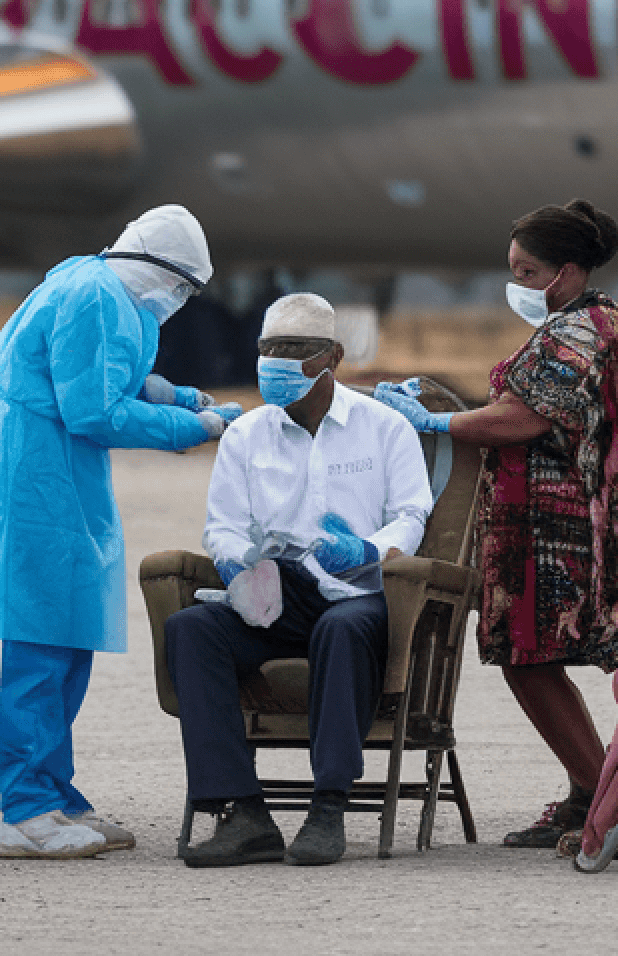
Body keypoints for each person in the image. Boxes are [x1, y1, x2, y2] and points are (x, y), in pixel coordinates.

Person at [0, 204, 241, 860]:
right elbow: (95, 410)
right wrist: (195, 429)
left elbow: (110, 375)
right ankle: (24, 810)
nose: (180, 302)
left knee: (67, 634)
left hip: (55, 467)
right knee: (40, 639)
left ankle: (55, 792)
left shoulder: (100, 287)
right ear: (159, 272)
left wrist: (177, 396)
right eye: (183, 288)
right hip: (36, 468)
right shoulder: (97, 296)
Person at [378, 199, 618, 852]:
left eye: (527, 272)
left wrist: (434, 421)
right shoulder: (597, 318)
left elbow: (522, 418)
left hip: (555, 528)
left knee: (530, 661)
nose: (519, 283)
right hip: (562, 519)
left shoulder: (579, 328)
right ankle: (590, 794)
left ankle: (609, 804)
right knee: (533, 660)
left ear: (564, 272)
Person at [168, 294, 435, 868]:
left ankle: (328, 807)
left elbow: (412, 515)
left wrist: (367, 549)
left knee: (340, 629)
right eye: (270, 351)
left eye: (296, 352)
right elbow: (222, 527)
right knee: (191, 628)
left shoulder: (384, 428)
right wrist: (241, 564)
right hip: (276, 592)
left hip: (357, 591)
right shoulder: (246, 435)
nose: (279, 364)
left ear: (333, 356)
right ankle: (244, 812)